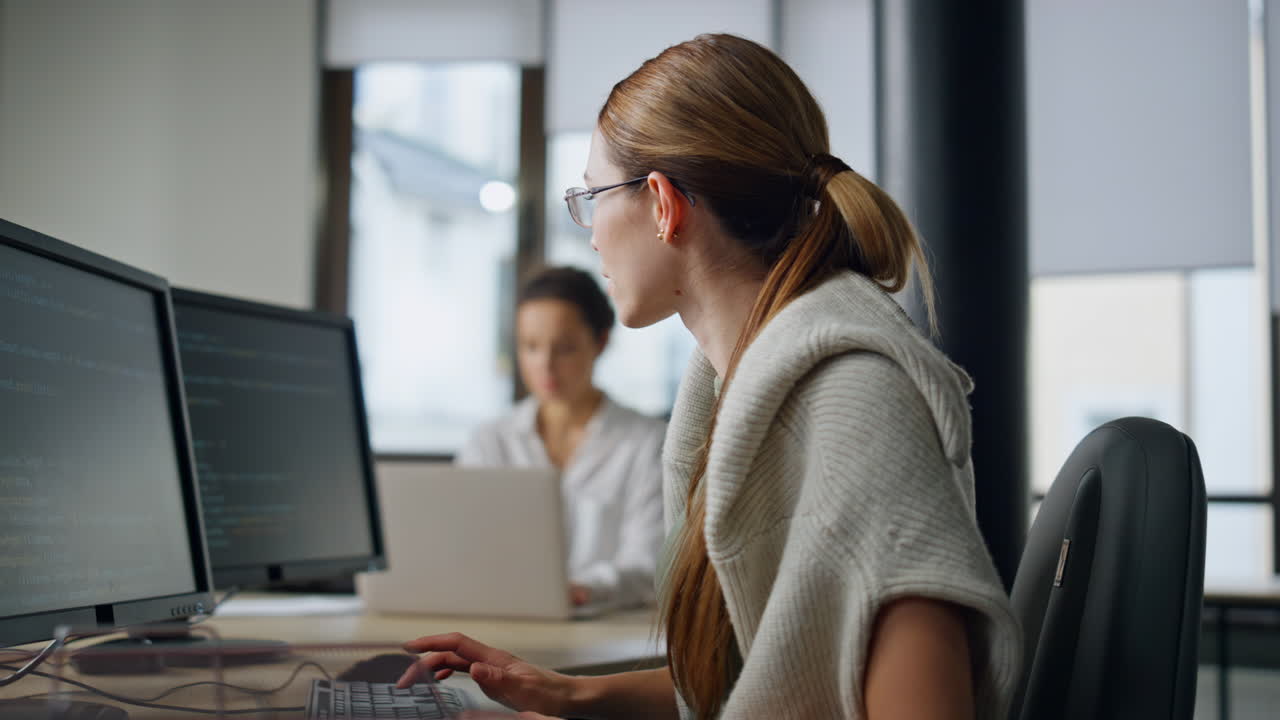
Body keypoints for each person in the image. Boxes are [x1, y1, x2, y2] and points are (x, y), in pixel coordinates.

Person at [400, 33, 1021, 719]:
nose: (592, 232)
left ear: (662, 204)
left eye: (593, 196)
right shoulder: (736, 393)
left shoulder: (856, 404)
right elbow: (762, 684)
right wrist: (566, 694)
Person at [456, 265, 666, 612]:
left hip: (608, 627)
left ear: (600, 343)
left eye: (564, 348)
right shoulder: (490, 441)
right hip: (504, 618)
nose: (546, 365)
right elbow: (462, 548)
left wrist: (584, 589)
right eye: (531, 347)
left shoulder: (646, 443)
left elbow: (650, 564)